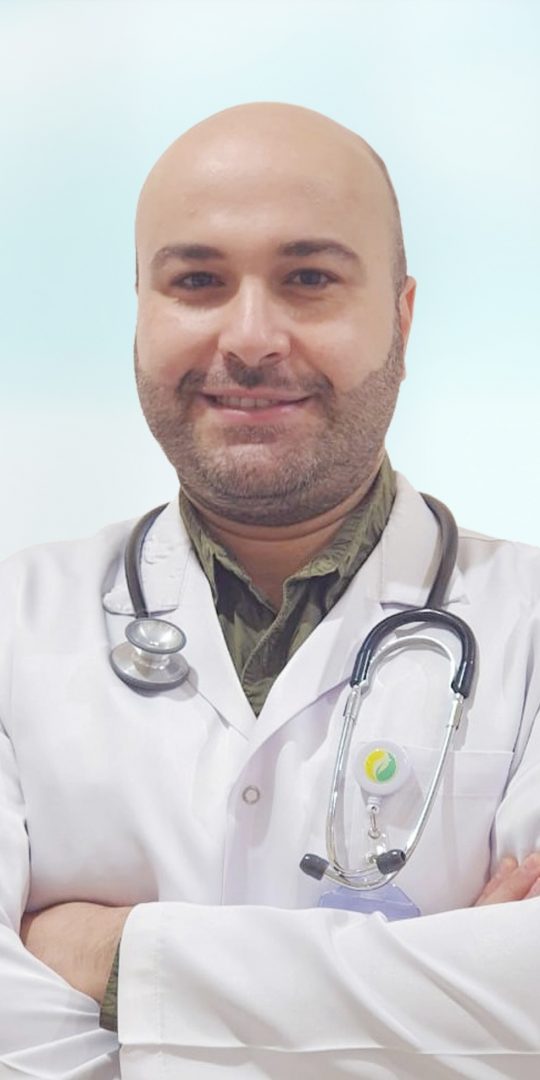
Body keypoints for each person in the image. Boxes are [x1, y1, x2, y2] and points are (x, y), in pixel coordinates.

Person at [1, 102, 540, 1080]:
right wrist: (441, 1004)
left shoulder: (527, 623)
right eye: (197, 281)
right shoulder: (13, 622)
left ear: (402, 316)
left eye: (309, 279)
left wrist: (113, 958)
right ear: (140, 309)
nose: (250, 338)